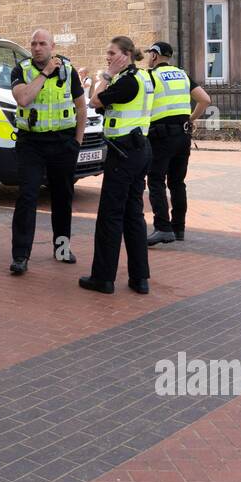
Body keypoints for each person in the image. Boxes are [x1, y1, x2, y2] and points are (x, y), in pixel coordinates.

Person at [8, 28, 86, 275]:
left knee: (62, 199)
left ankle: (62, 249)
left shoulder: (68, 71)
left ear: (52, 47)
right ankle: (20, 255)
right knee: (27, 197)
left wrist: (78, 141)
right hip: (31, 144)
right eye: (33, 44)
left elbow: (81, 107)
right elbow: (24, 99)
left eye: (42, 43)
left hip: (63, 144)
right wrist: (44, 73)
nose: (37, 47)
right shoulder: (21, 70)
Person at [80, 37, 154, 295]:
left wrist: (107, 74)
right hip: (139, 150)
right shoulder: (144, 77)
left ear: (126, 54)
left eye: (112, 53)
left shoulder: (126, 81)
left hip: (122, 153)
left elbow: (95, 101)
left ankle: (103, 278)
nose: (108, 57)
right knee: (134, 215)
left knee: (110, 216)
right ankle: (140, 278)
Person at [143, 41, 209, 245]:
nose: (147, 58)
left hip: (161, 137)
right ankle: (178, 228)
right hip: (183, 136)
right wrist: (190, 119)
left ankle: (163, 228)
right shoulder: (182, 74)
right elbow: (205, 100)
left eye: (149, 54)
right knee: (177, 183)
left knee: (155, 180)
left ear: (155, 55)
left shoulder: (151, 76)